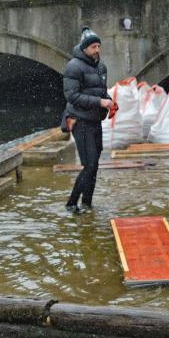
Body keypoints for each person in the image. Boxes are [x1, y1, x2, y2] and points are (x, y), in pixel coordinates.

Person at [61, 26, 112, 214]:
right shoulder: (73, 66)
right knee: (89, 164)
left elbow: (102, 91)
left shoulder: (101, 67)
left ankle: (87, 204)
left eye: (99, 46)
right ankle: (71, 204)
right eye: (93, 47)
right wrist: (100, 101)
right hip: (79, 120)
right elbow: (72, 96)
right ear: (84, 48)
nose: (97, 50)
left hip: (94, 120)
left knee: (94, 165)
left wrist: (110, 102)